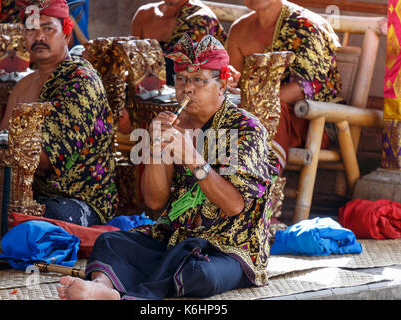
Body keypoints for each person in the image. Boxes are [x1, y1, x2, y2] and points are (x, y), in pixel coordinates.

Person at [57, 34, 280, 300]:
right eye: (182, 79)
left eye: (198, 80)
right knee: (111, 241)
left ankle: (123, 296)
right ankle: (102, 286)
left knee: (199, 273)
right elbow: (154, 201)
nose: (187, 89)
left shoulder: (245, 129)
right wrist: (154, 147)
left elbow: (234, 206)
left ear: (222, 85)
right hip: (176, 237)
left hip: (230, 248)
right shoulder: (174, 122)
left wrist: (192, 157)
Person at [0, 0, 118, 226]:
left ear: (67, 33)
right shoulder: (24, 85)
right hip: (30, 193)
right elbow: (6, 144)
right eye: (32, 29)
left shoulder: (80, 82)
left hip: (79, 199)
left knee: (27, 218)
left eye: (48, 28)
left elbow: (46, 158)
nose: (39, 37)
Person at [226, 0, 342, 170]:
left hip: (312, 119)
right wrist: (230, 84)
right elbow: (234, 81)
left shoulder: (306, 26)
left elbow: (304, 88)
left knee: (269, 110)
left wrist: (253, 104)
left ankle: (261, 189)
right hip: (250, 113)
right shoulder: (239, 29)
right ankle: (207, 188)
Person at [131, 0, 227, 85]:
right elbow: (130, 59)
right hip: (143, 91)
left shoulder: (200, 19)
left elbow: (186, 72)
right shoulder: (144, 14)